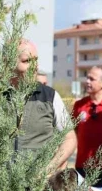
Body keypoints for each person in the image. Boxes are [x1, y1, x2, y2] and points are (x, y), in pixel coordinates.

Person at [11, 39, 76, 171]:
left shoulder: (50, 97)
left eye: (35, 60)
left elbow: (69, 138)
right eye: (26, 61)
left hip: (38, 187)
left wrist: (49, 168)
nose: (34, 66)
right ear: (8, 63)